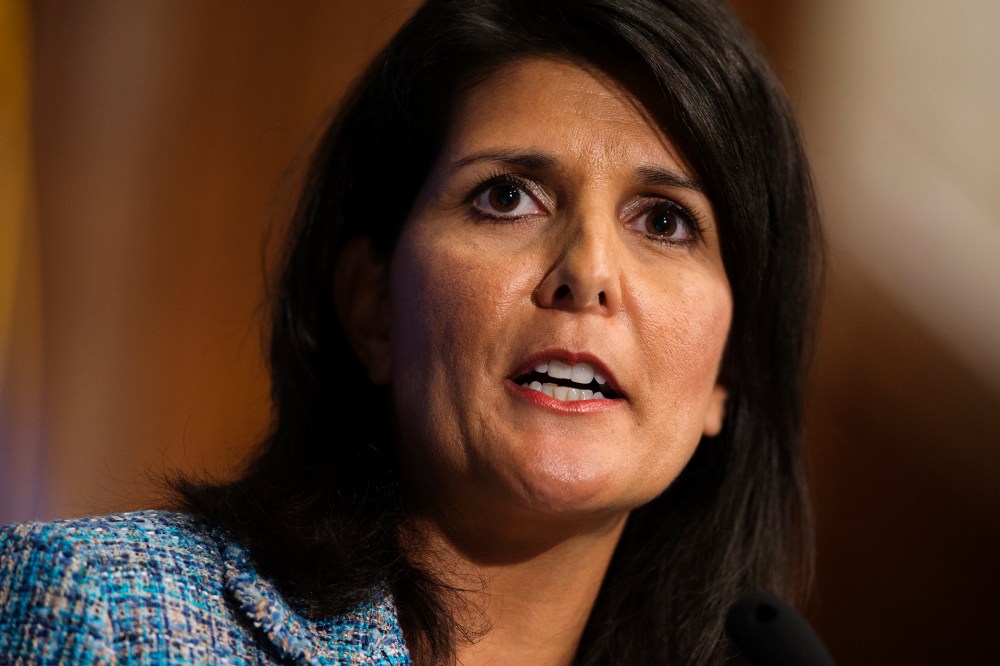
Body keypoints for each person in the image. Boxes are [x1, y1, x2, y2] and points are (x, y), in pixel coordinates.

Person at [0, 0, 821, 663]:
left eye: (667, 221)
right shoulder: (107, 618)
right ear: (373, 306)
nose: (590, 271)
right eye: (506, 197)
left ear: (729, 373)